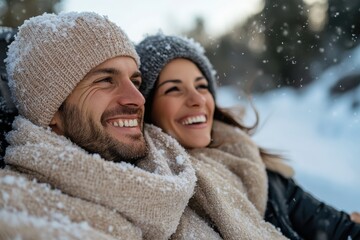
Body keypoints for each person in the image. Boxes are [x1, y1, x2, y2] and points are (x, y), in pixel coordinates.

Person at [136, 33, 360, 240]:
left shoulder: (258, 171)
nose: (198, 100)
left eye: (202, 86)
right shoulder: (147, 196)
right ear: (146, 107)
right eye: (173, 89)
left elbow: (341, 231)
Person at [0, 12, 198, 239]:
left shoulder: (174, 181)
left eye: (135, 82)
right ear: (51, 108)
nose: (137, 98)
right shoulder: (17, 210)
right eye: (105, 80)